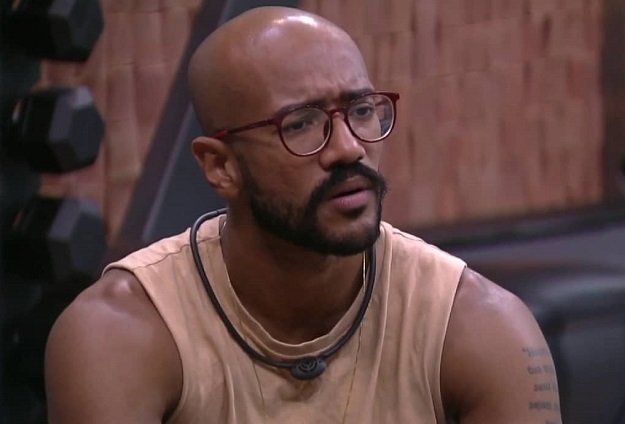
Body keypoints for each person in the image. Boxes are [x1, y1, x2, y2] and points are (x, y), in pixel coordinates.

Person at [44, 6, 562, 424]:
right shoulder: (120, 334)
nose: (349, 148)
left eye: (361, 111)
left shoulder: (479, 325)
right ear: (221, 166)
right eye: (301, 123)